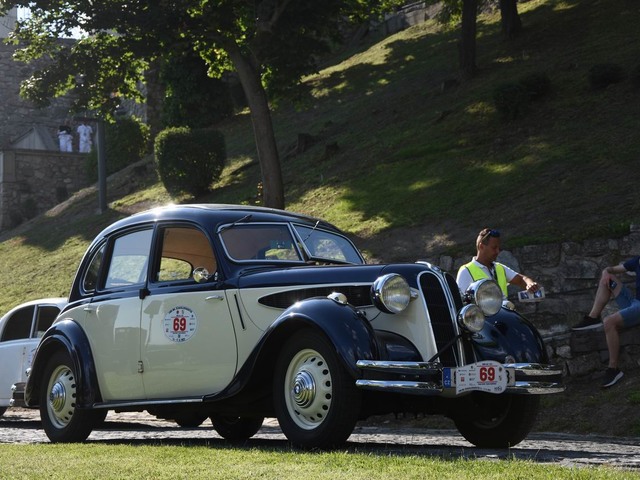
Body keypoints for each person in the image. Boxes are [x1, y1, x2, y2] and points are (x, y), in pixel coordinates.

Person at [571, 257, 640, 388]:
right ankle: (593, 317)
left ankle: (613, 369)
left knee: (609, 322)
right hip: (635, 303)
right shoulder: (637, 261)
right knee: (608, 278)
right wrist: (605, 272)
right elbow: (611, 269)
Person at [456, 228, 541, 299]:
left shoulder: (500, 268)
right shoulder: (466, 271)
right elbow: (460, 303)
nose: (497, 251)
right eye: (494, 248)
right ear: (481, 246)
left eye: (498, 248)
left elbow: (521, 279)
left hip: (504, 314)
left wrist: (530, 284)